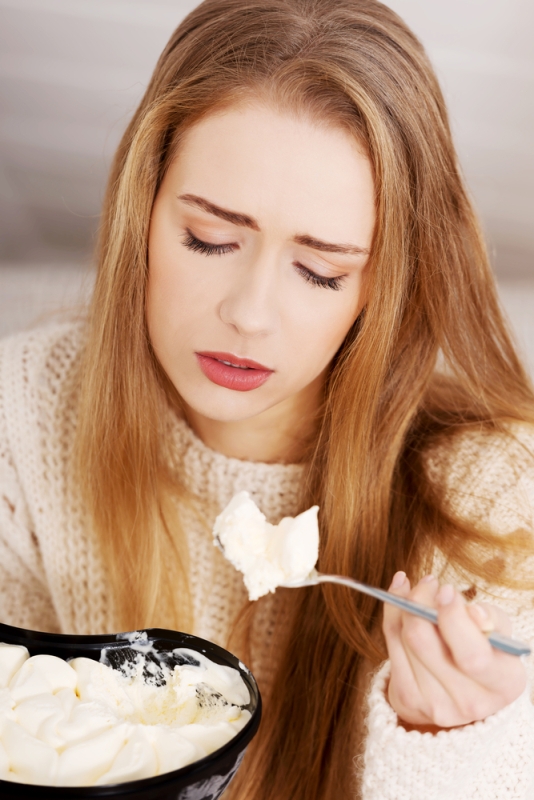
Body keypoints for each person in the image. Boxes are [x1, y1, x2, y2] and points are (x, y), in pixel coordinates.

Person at [0, 0, 533, 797]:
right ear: (140, 211)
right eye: (210, 239)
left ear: (381, 287)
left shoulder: (494, 497)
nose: (248, 315)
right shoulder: (25, 411)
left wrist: (453, 743)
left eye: (321, 271)